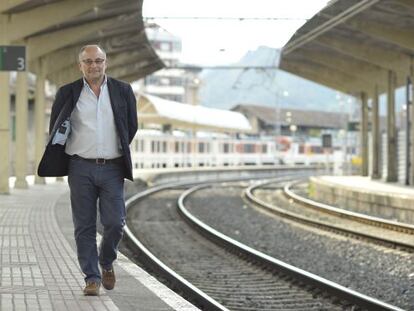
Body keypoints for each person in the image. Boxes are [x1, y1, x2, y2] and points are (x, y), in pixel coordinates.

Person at [38, 44, 138, 296]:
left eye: (98, 60)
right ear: (79, 65)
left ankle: (106, 261)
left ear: (106, 62)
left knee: (115, 223)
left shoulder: (123, 91)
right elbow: (57, 128)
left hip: (113, 168)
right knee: (84, 226)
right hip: (80, 167)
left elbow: (131, 127)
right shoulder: (68, 92)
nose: (94, 65)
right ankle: (91, 278)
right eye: (88, 61)